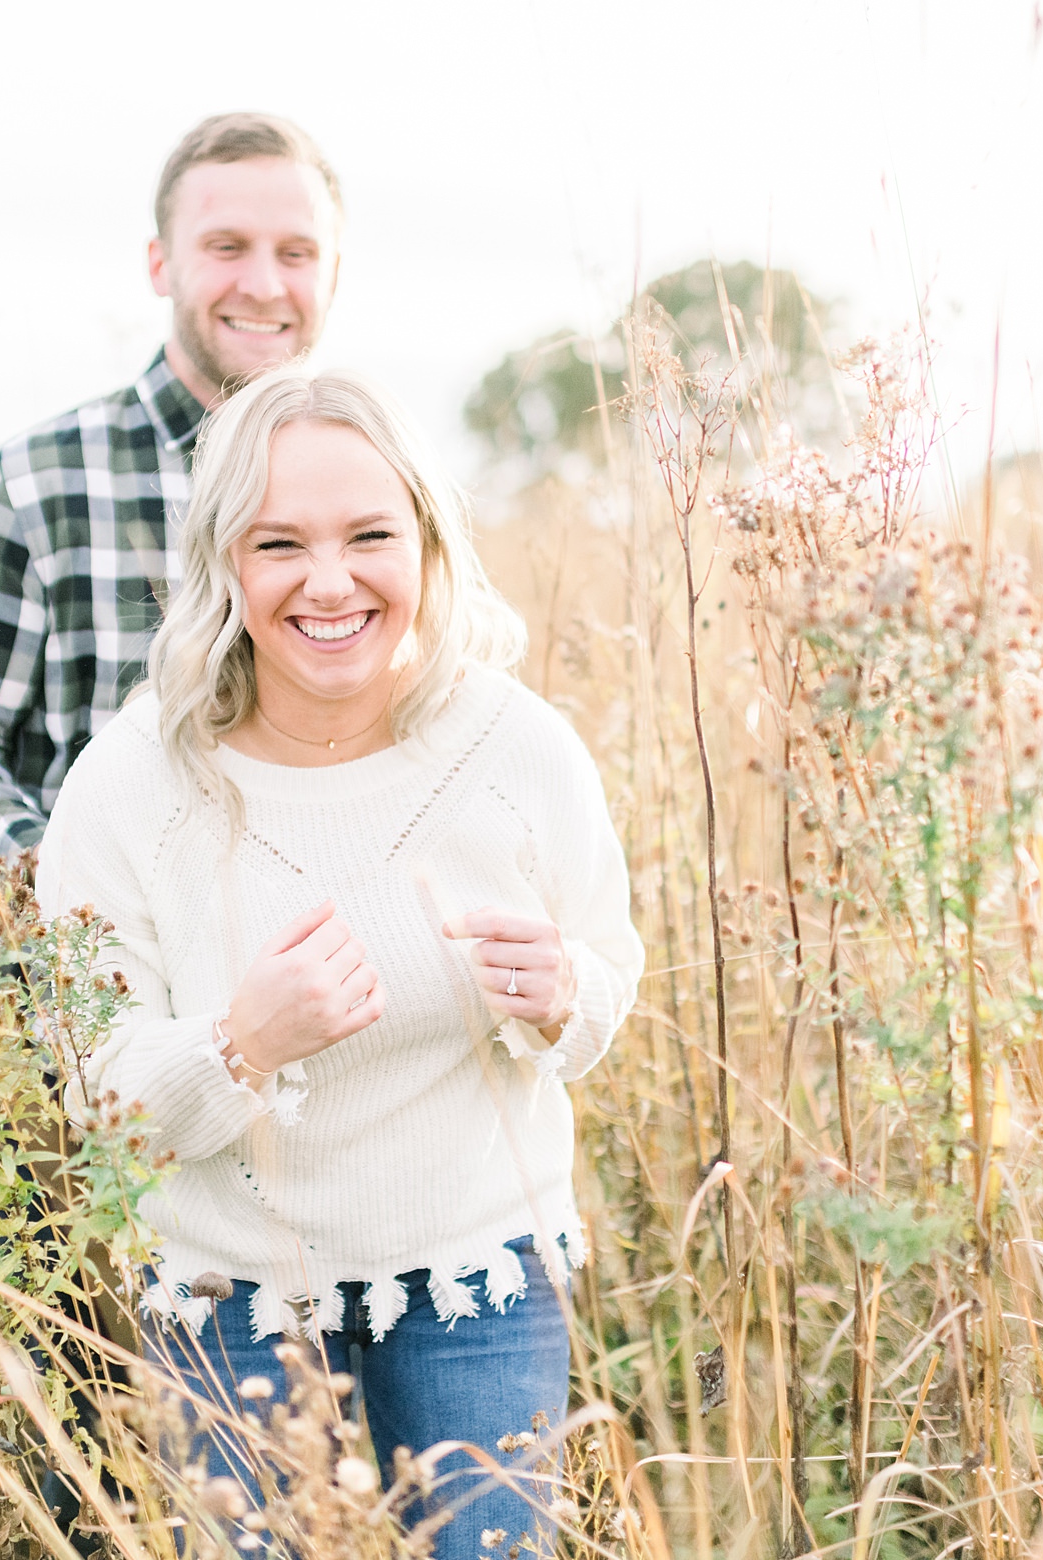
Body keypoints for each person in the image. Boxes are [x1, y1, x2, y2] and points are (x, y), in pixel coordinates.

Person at [36, 367, 644, 1559]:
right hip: (233, 1297)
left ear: (427, 540)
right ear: (224, 561)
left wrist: (565, 991)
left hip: (479, 1276)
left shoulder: (516, 748)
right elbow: (93, 1093)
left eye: (371, 535)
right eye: (279, 544)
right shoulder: (130, 784)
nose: (330, 581)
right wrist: (240, 1043)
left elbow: (605, 977)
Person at [0, 112, 344, 854]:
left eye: (297, 253)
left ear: (333, 273)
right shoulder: (24, 493)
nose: (264, 285)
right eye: (226, 247)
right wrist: (85, 920)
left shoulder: (391, 498)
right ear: (160, 263)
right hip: (89, 959)